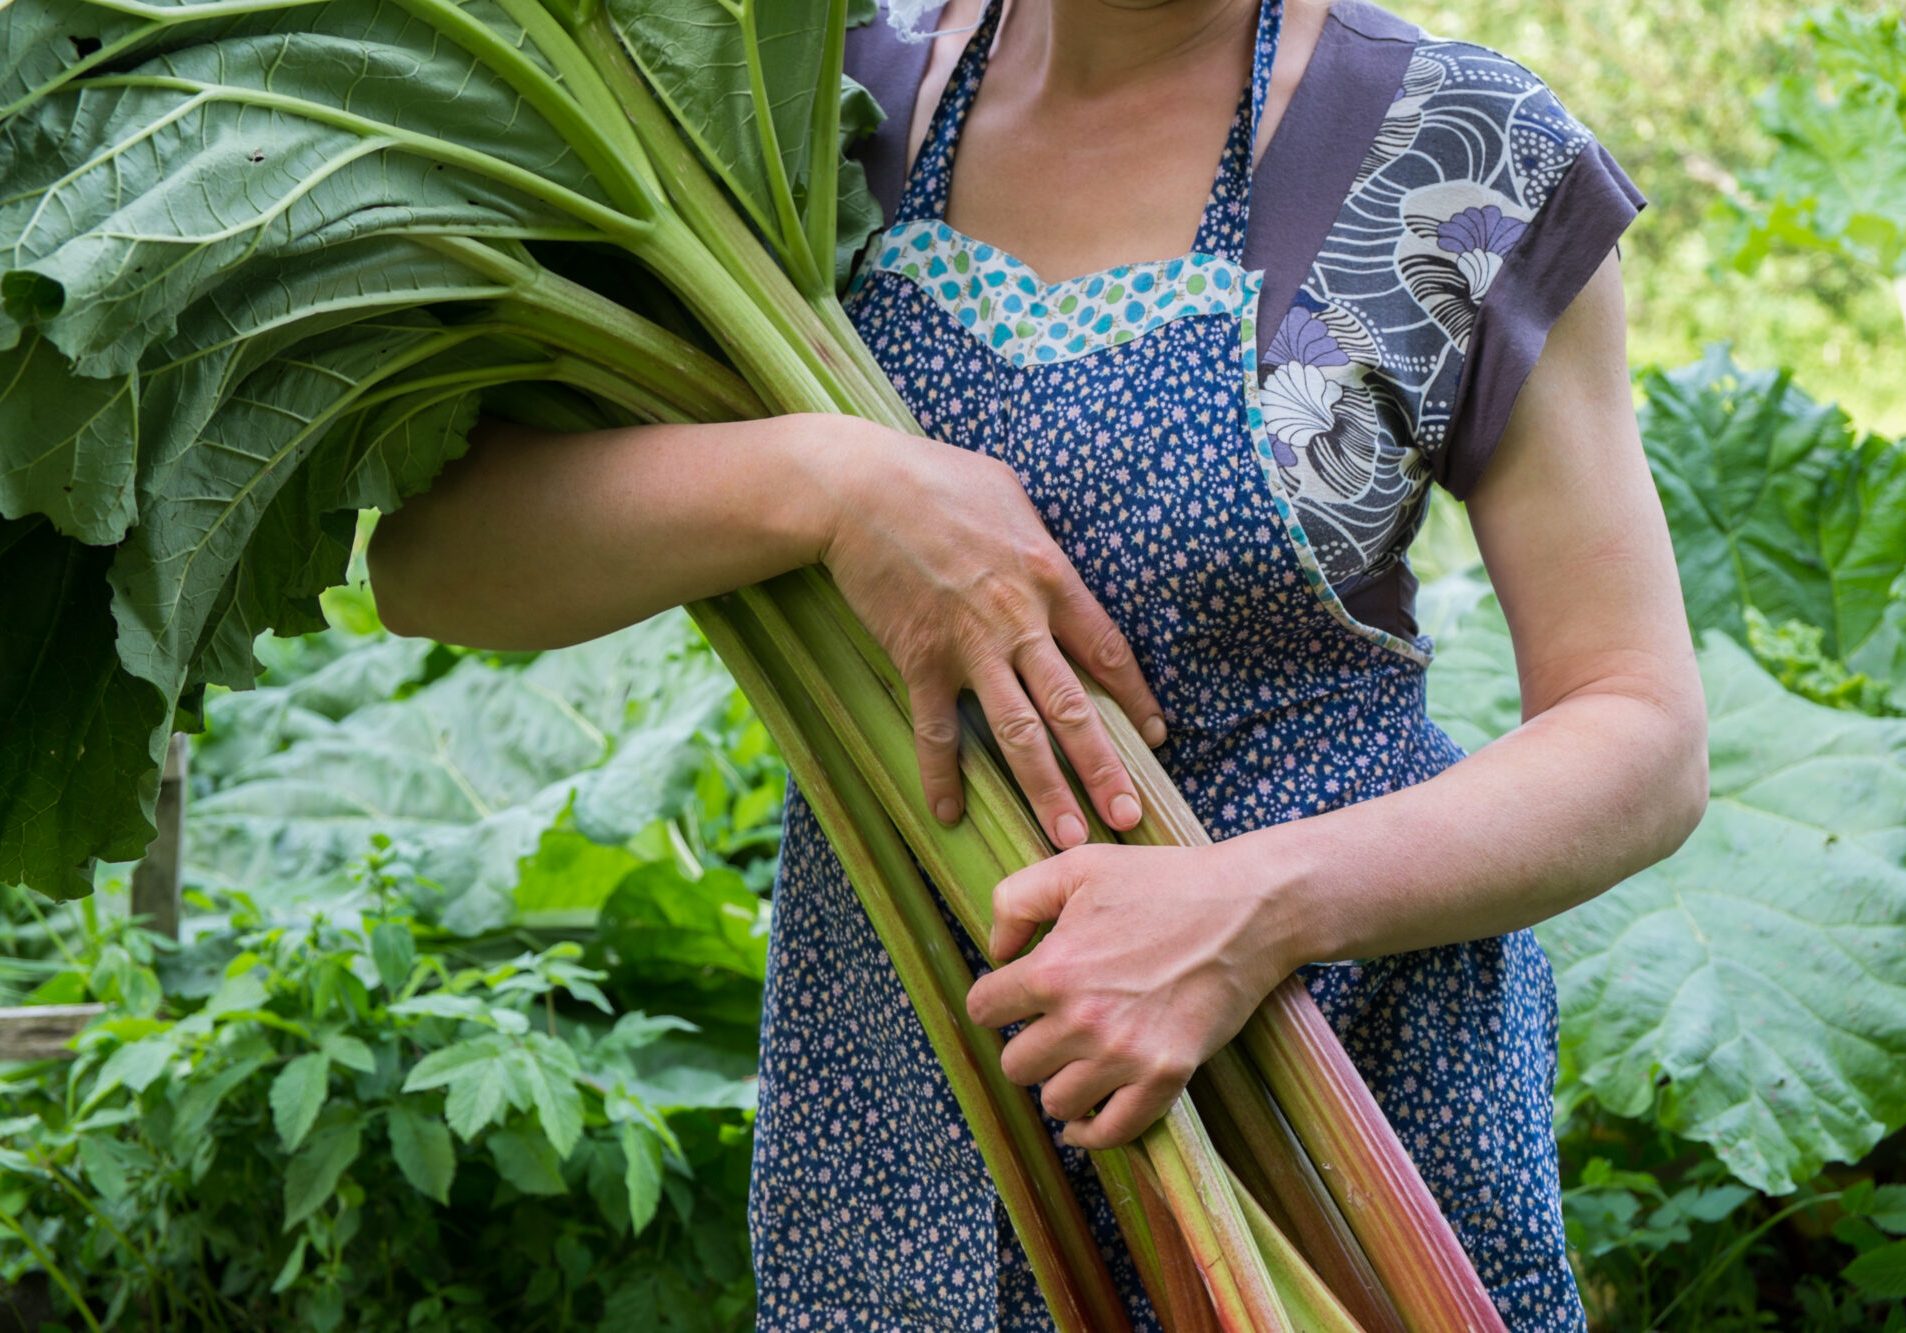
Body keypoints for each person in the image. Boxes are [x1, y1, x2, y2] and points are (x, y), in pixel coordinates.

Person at [367, 0, 1709, 1325]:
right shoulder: (806, 101)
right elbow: (438, 561)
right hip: (908, 1108)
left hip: (1332, 1119)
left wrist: (1251, 907)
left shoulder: (1452, 150)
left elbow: (1637, 734)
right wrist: (829, 482)